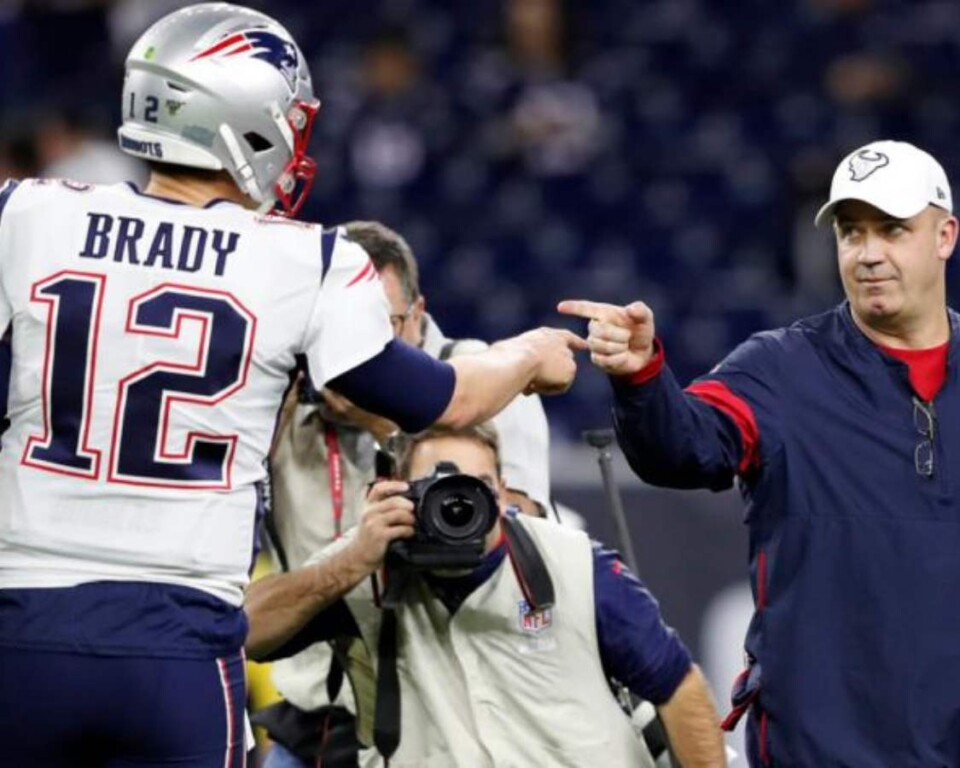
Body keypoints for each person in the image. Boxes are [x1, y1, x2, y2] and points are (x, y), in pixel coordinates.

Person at [0, 4, 583, 767]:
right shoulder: (302, 260)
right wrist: (530, 354)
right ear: (241, 120)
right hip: (177, 635)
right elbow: (444, 398)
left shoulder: (27, 214)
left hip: (22, 624)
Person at [559, 139, 960, 766]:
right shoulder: (781, 369)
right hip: (822, 747)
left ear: (945, 235)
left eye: (892, 230)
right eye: (851, 232)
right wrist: (643, 377)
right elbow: (686, 448)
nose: (868, 253)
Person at [245, 422, 726, 768]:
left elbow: (678, 687)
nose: (455, 507)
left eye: (474, 489)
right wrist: (350, 561)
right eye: (434, 491)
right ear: (396, 492)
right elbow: (247, 632)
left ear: (501, 492)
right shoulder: (364, 568)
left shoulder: (576, 564)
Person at [260, 220, 552, 767]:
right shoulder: (286, 398)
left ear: (418, 316)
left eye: (381, 324)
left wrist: (385, 420)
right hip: (319, 711)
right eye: (337, 327)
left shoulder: (489, 382)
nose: (357, 348)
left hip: (456, 705)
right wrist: (272, 402)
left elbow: (523, 539)